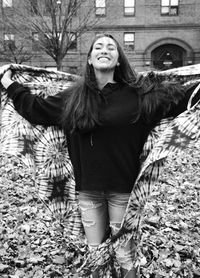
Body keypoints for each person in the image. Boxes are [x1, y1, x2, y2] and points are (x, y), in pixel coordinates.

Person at [1, 34, 199, 278]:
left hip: (124, 193)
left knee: (126, 257)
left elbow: (179, 98)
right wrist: (11, 84)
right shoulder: (72, 98)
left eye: (111, 47)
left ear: (118, 60)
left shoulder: (140, 94)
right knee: (96, 256)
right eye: (98, 47)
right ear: (89, 59)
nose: (104, 50)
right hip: (88, 192)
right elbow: (35, 109)